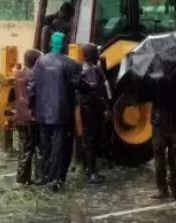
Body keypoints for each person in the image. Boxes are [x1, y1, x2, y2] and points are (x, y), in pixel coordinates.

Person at [29, 31, 80, 191]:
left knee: (46, 147)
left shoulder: (40, 62)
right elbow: (81, 85)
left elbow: (32, 87)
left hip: (43, 114)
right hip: (62, 115)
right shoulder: (71, 64)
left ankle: (45, 177)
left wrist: (32, 107)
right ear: (65, 44)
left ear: (50, 43)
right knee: (60, 148)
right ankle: (55, 180)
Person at [76, 43, 109, 185]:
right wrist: (105, 108)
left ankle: (88, 169)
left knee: (87, 139)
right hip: (92, 109)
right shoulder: (93, 70)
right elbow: (97, 91)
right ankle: (91, 172)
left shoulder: (82, 68)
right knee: (91, 140)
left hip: (85, 108)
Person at [12, 49, 42, 186]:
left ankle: (23, 178)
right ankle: (33, 178)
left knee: (24, 147)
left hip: (19, 116)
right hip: (31, 116)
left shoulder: (17, 74)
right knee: (34, 148)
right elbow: (34, 95)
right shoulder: (34, 75)